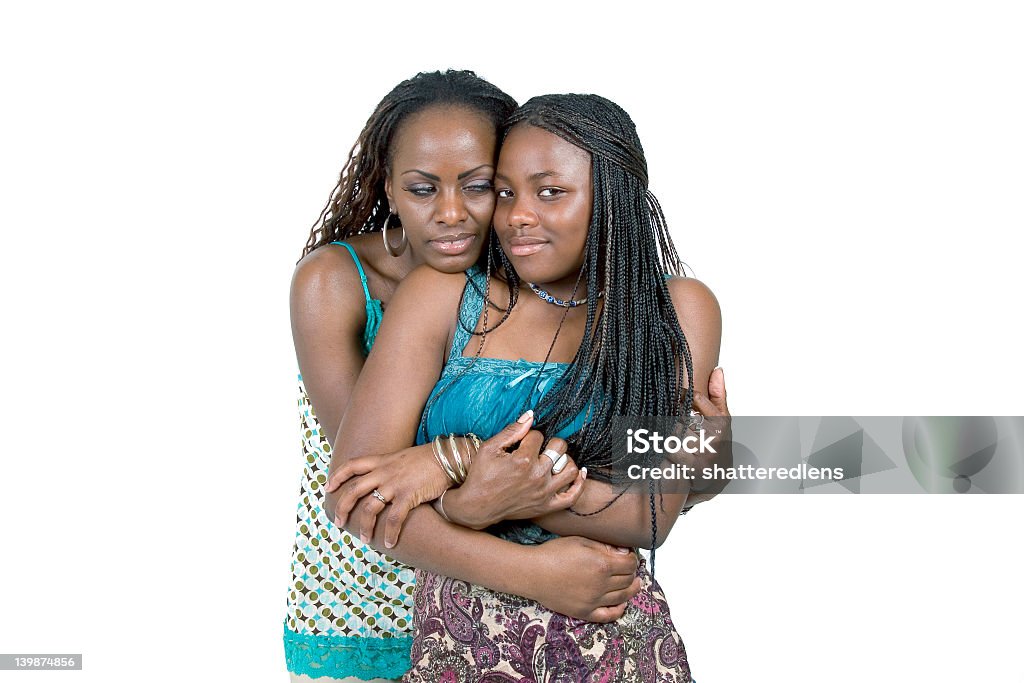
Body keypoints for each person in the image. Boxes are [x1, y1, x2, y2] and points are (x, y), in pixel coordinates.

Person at [328, 94, 724, 681]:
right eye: (507, 191)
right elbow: (358, 497)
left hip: (615, 652)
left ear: (613, 199)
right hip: (458, 654)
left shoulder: (672, 311)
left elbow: (647, 515)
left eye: (550, 191)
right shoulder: (441, 298)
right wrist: (511, 546)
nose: (515, 216)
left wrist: (451, 473)